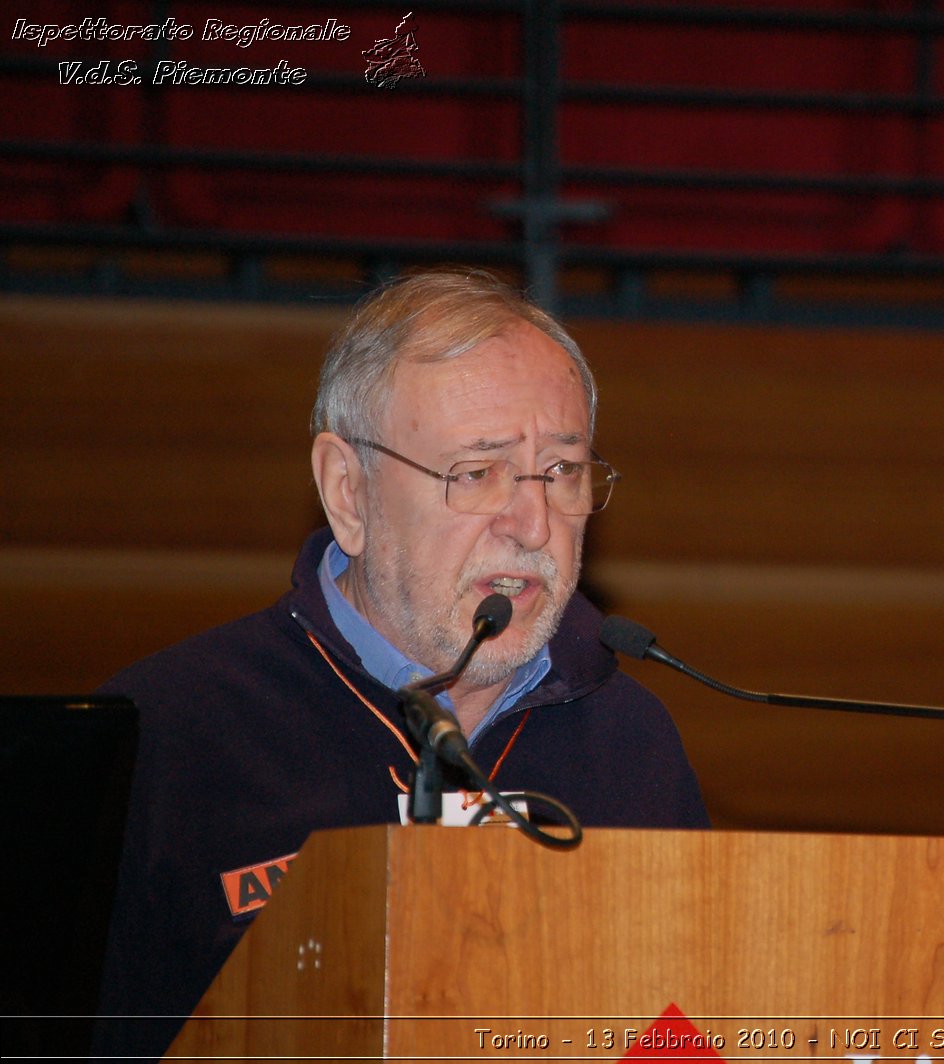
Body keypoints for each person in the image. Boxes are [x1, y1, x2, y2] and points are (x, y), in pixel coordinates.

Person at [94, 268, 709, 1060]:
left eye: (562, 472)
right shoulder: (169, 736)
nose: (532, 522)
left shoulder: (632, 742)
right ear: (349, 492)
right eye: (477, 472)